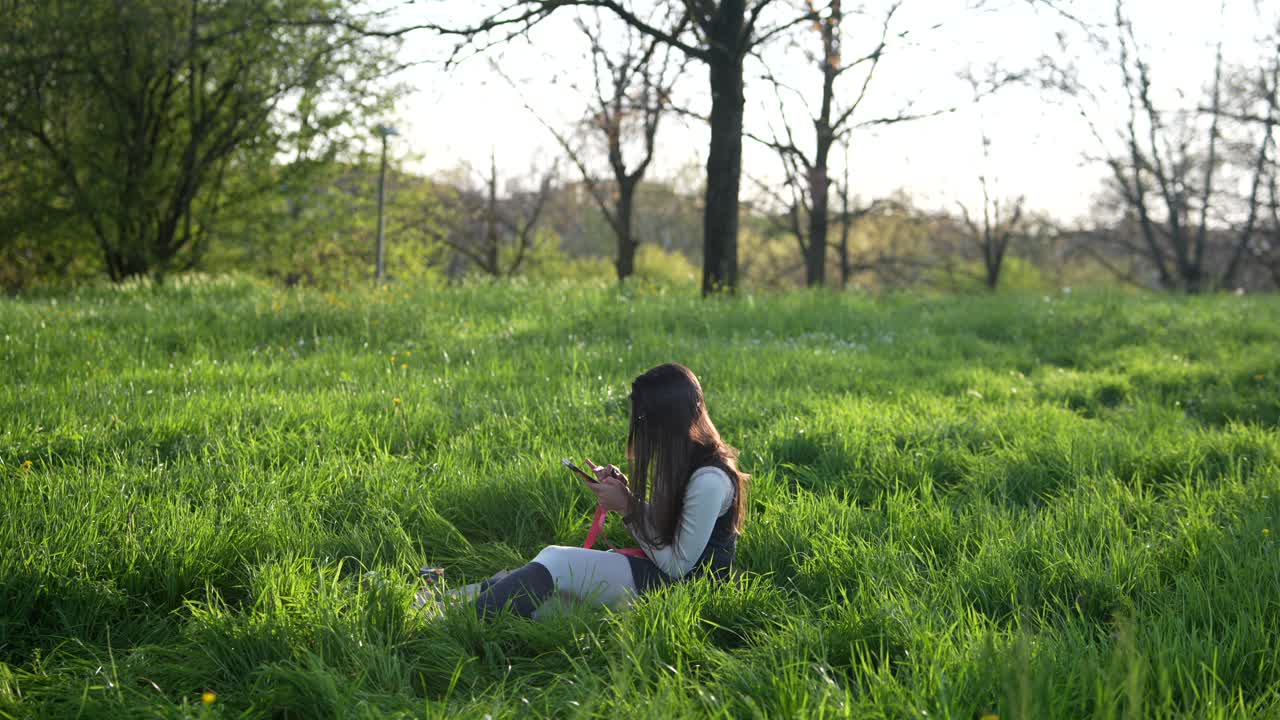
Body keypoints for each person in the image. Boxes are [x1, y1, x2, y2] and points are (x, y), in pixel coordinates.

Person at [466, 363, 749, 620]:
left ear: (666, 422)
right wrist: (626, 495)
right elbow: (676, 526)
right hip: (666, 578)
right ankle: (448, 602)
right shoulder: (681, 460)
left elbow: (677, 565)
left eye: (642, 420)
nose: (638, 428)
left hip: (688, 591)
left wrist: (627, 507)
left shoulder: (709, 480)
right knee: (548, 604)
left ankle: (463, 617)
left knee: (556, 559)